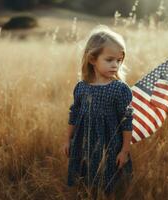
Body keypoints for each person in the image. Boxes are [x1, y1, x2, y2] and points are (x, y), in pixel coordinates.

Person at [63, 25, 134, 199]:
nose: (115, 65)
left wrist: (124, 150)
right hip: (84, 143)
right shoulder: (81, 87)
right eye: (109, 60)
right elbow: (74, 115)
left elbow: (126, 121)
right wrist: (67, 140)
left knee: (109, 184)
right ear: (92, 59)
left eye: (119, 60)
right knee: (85, 182)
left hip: (109, 146)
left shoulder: (119, 89)